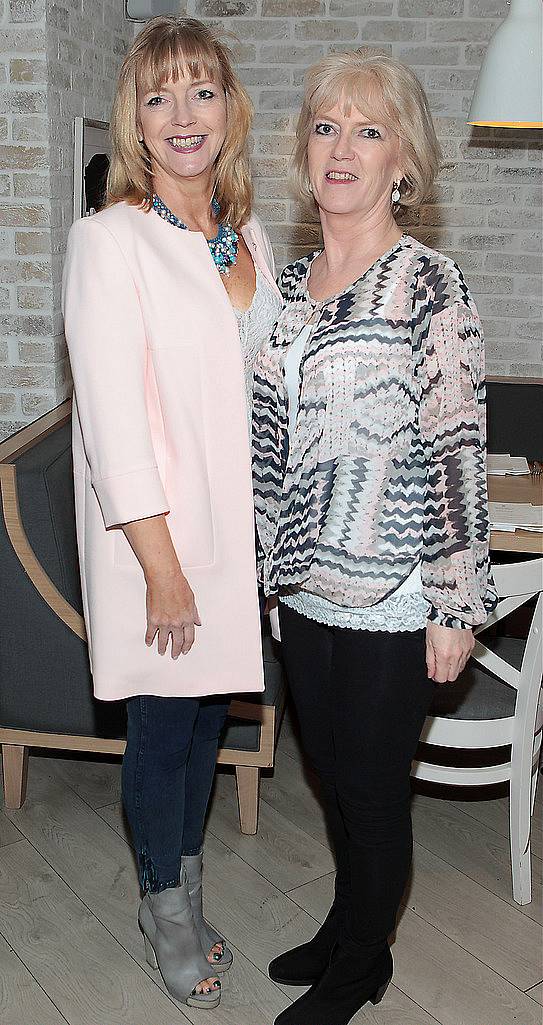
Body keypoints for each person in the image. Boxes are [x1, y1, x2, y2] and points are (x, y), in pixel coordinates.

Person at [252, 48, 497, 1025]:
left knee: (370, 783)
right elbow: (273, 438)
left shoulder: (429, 284)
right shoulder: (290, 282)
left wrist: (454, 601)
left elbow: (456, 446)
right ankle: (349, 923)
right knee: (328, 773)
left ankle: (361, 962)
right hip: (307, 585)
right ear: (303, 151)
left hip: (396, 590)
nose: (341, 147)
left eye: (367, 128)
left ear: (403, 160)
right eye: (325, 126)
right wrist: (270, 573)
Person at [62, 16, 281, 1011]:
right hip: (160, 541)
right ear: (137, 125)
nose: (183, 113)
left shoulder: (251, 236)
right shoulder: (110, 241)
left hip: (239, 537)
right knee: (161, 725)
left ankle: (183, 879)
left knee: (205, 725)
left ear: (230, 108)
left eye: (201, 90)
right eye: (160, 96)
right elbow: (110, 421)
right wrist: (162, 566)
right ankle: (166, 909)